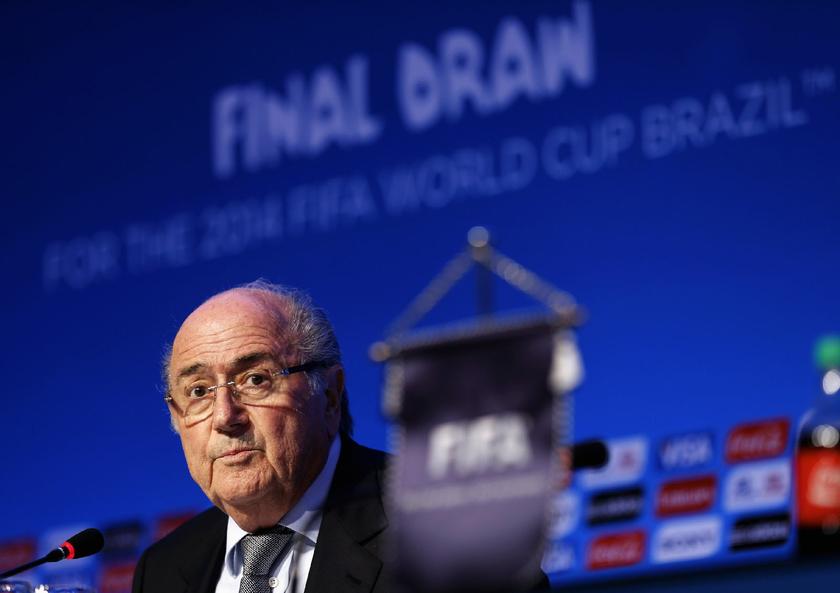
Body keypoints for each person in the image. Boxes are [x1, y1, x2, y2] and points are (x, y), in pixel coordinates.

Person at [132, 280, 389, 593]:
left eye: (255, 380)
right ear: (176, 415)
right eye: (199, 391)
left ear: (330, 394)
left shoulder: (432, 517)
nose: (225, 417)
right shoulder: (162, 570)